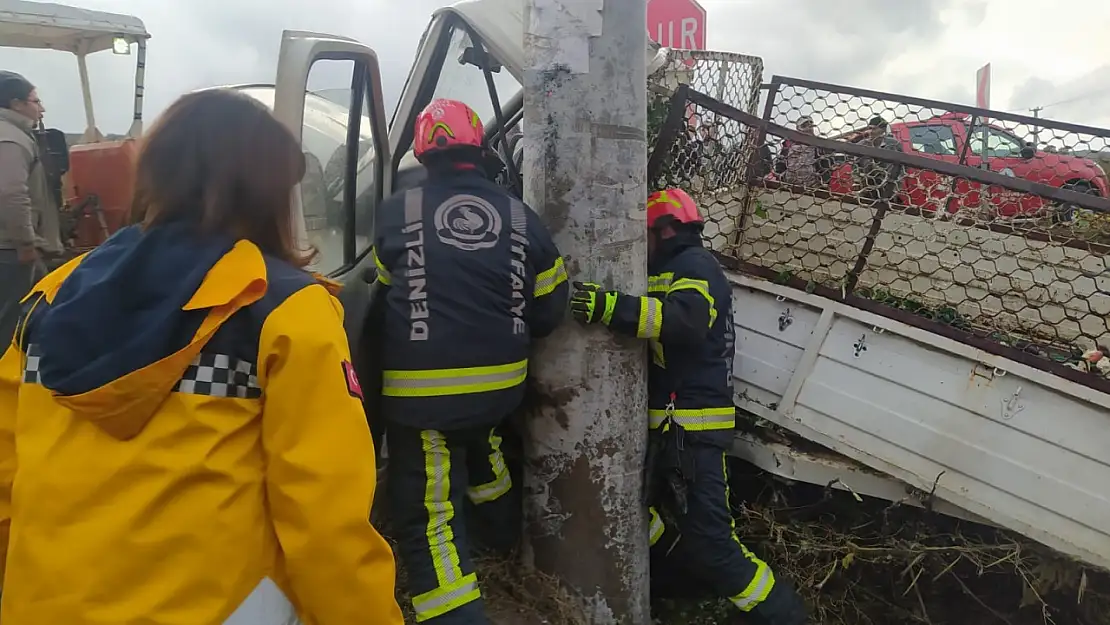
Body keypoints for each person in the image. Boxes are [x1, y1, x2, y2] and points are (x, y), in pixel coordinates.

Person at [0, 89, 403, 625]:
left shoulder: (50, 295)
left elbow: (6, 476)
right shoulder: (283, 308)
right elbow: (325, 523)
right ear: (271, 191)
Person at [569, 188, 808, 625]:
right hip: (675, 429)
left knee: (714, 544)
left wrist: (608, 307)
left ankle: (785, 618)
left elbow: (684, 322)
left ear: (663, 231)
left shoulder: (694, 267)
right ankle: (679, 592)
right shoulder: (672, 267)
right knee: (646, 517)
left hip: (692, 430)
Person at [371, 98, 569, 624]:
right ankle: (503, 545)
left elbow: (385, 294)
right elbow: (551, 308)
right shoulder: (521, 216)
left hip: (422, 402)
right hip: (500, 389)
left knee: (430, 520)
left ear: (422, 152)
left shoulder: (395, 212)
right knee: (486, 458)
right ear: (479, 148)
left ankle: (456, 613)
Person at [0, 71, 61, 344]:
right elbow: (11, 193)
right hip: (10, 250)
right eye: (35, 101)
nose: (42, 108)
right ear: (15, 103)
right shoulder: (11, 139)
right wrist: (26, 244)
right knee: (11, 323)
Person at [849, 115, 905, 203]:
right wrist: (856, 180)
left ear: (882, 130)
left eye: (874, 129)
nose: (871, 132)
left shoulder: (893, 145)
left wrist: (897, 184)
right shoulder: (862, 144)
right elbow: (855, 164)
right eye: (870, 128)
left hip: (887, 184)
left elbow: (902, 167)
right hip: (866, 183)